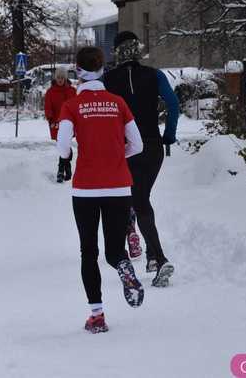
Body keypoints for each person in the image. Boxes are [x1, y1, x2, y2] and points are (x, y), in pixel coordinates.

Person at [57, 46, 144, 334]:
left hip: (86, 190)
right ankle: (123, 266)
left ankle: (97, 316)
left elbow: (63, 147)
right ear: (102, 69)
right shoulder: (118, 102)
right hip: (120, 186)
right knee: (113, 250)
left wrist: (70, 156)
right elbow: (138, 145)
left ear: (78, 72)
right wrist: (117, 155)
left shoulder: (71, 105)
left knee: (88, 252)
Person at [103, 31, 179, 287]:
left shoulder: (108, 80)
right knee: (140, 197)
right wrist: (169, 134)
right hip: (153, 147)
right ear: (137, 50)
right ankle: (152, 256)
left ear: (116, 53)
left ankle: (159, 256)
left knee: (136, 199)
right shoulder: (155, 74)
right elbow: (173, 104)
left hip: (125, 149)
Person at [44, 66, 76, 183]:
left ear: (65, 78)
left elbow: (76, 106)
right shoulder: (50, 92)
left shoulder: (72, 91)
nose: (60, 80)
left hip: (70, 123)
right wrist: (51, 119)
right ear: (55, 78)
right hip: (56, 123)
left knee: (64, 145)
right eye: (58, 77)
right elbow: (48, 107)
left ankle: (61, 170)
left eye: (62, 77)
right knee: (63, 145)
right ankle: (66, 166)